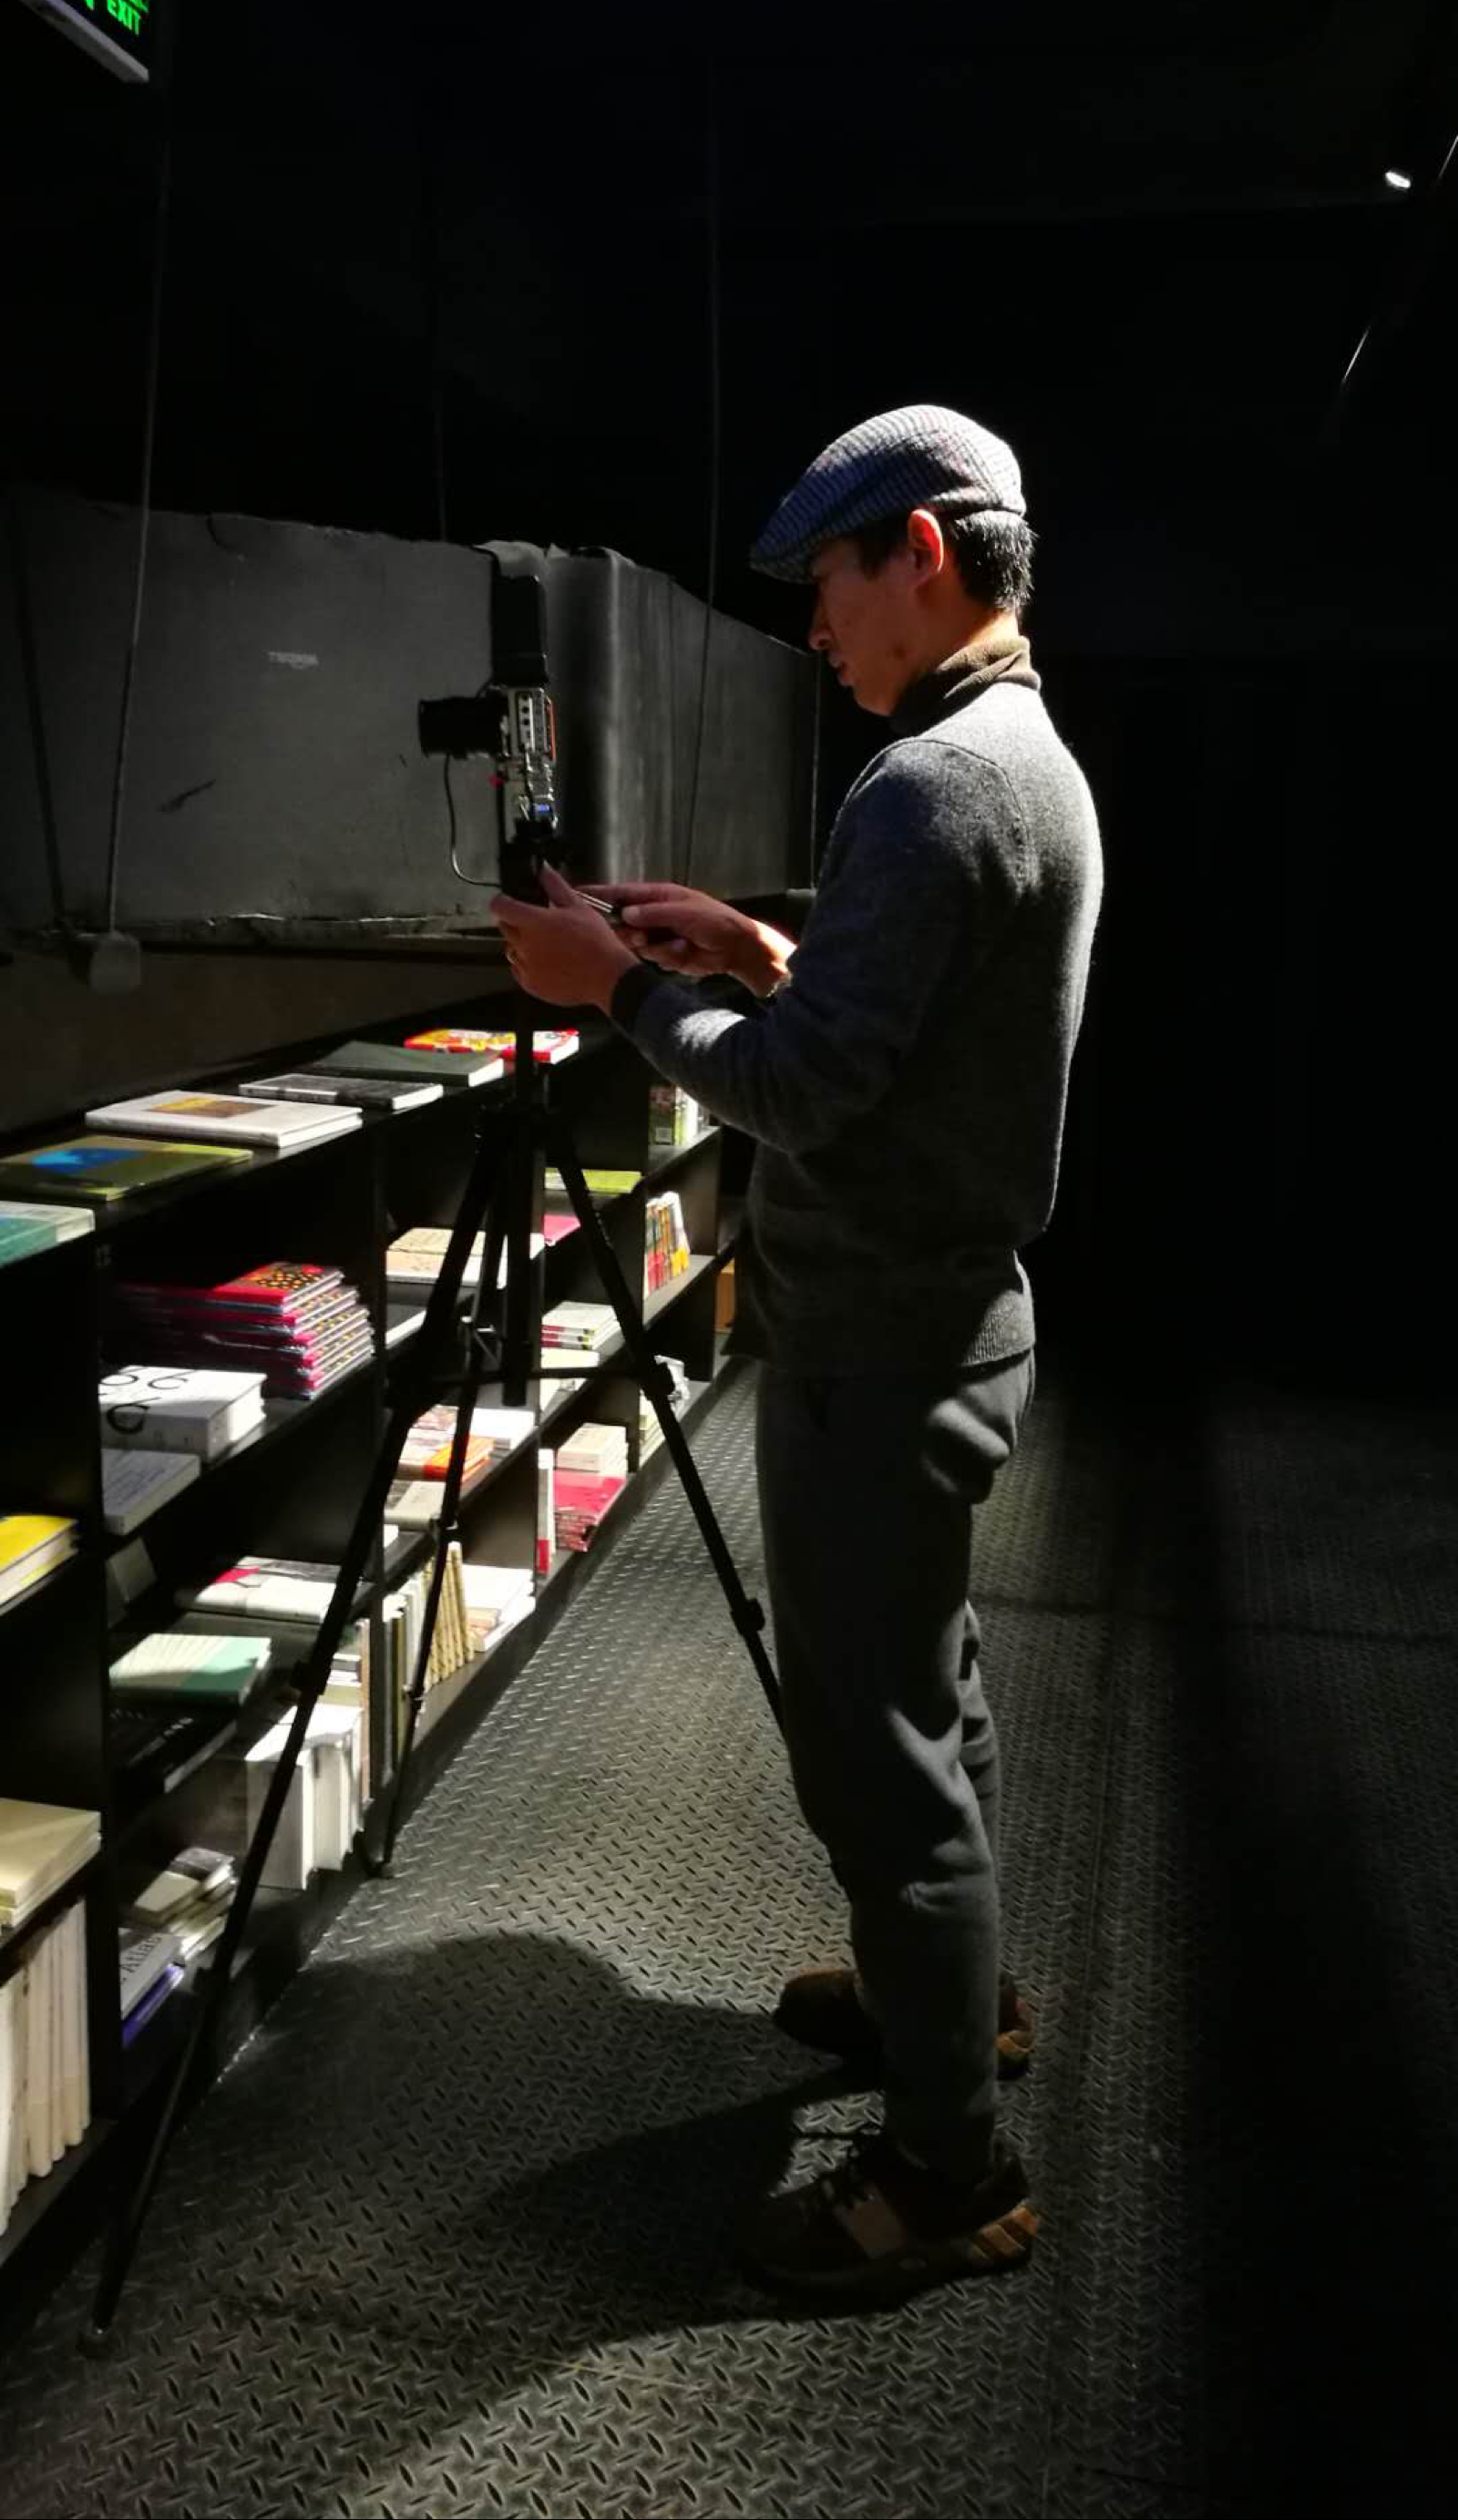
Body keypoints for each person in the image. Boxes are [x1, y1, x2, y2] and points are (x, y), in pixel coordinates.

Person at [490, 403, 1104, 2306]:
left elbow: (809, 1094)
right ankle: (955, 2001)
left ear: (918, 550)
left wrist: (619, 987)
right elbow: (903, 1018)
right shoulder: (1015, 759)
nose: (814, 625)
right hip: (944, 1325)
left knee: (876, 1751)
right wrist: (755, 949)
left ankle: (947, 2172)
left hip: (877, 1347)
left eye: (828, 580)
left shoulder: (926, 786)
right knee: (929, 1694)